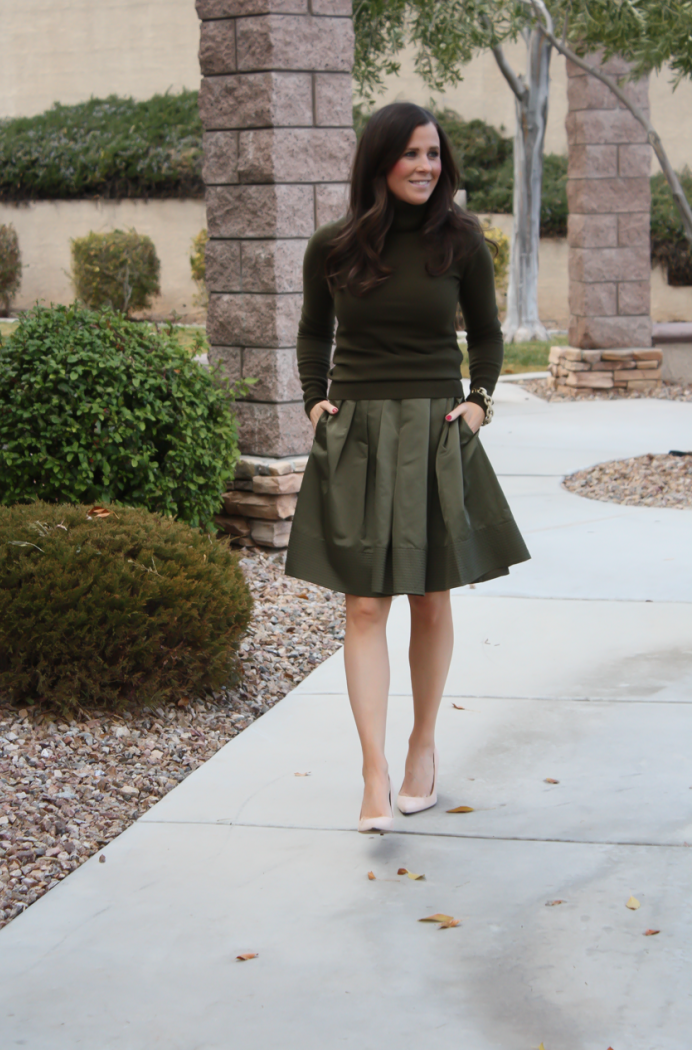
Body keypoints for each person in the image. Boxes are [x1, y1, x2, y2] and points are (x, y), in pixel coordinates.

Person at [285, 102, 530, 832]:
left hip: (432, 427)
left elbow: (486, 337)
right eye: (412, 154)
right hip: (356, 433)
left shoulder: (460, 243)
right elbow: (311, 332)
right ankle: (373, 769)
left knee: (428, 597)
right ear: (380, 161)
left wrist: (480, 403)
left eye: (433, 154)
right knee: (362, 605)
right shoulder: (332, 245)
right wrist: (312, 403)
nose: (426, 166)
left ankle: (422, 746)